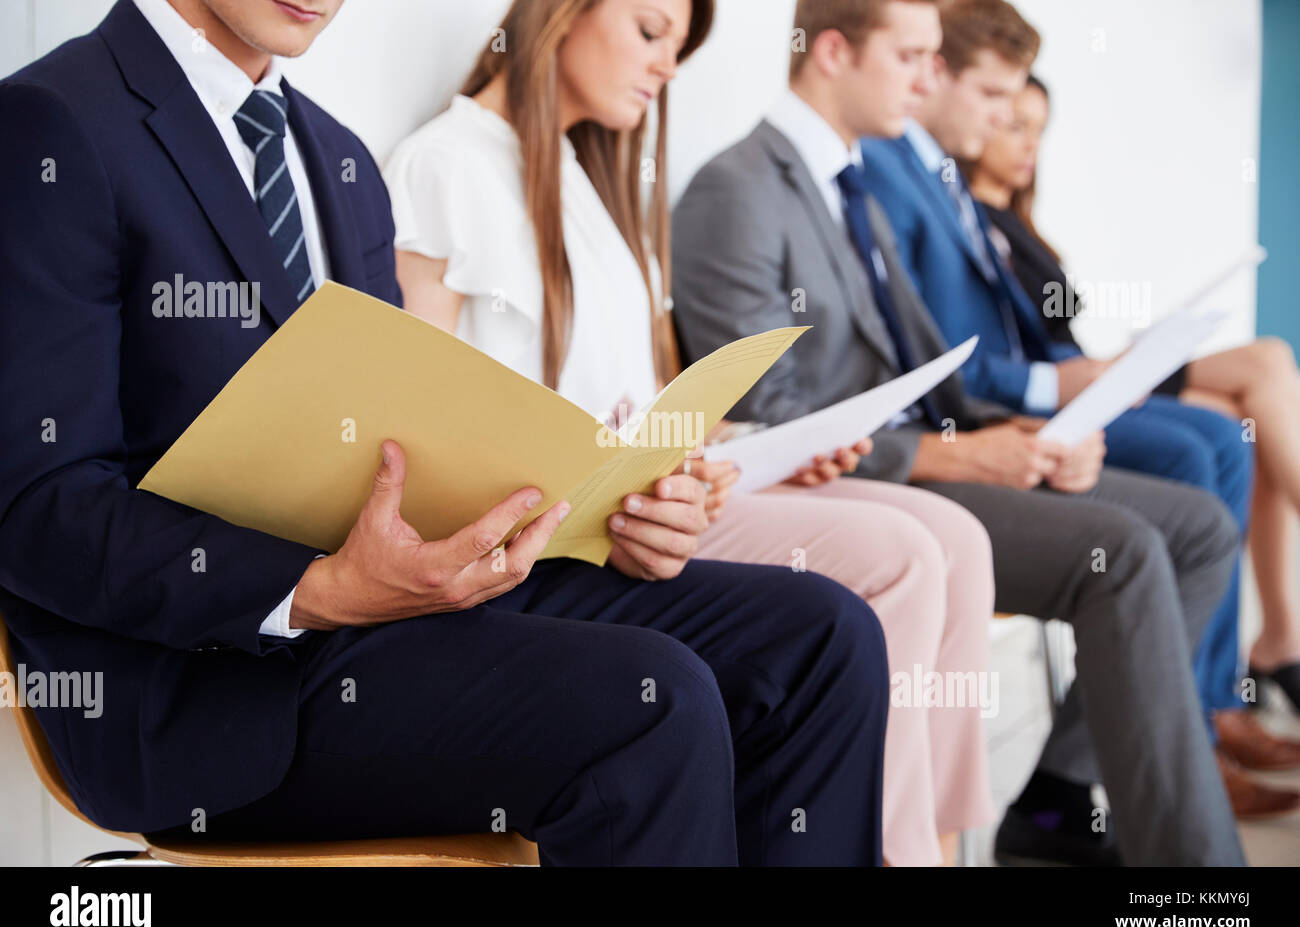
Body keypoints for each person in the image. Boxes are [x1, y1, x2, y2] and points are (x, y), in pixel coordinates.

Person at [0, 0, 894, 867]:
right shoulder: (54, 124)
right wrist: (316, 590)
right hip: (207, 684)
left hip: (399, 607)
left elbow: (399, 447)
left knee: (822, 637)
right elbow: (38, 511)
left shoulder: (336, 157)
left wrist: (614, 514)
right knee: (650, 701)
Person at [385, 0, 997, 867]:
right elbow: (413, 431)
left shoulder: (584, 183)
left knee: (945, 544)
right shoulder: (444, 166)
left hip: (635, 508)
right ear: (561, 15)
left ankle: (922, 847)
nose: (668, 65)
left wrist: (726, 451)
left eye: (678, 44)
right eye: (650, 31)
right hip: (555, 538)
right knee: (896, 558)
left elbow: (638, 404)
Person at [672, 0, 1248, 864]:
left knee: (1197, 526)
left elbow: (928, 364)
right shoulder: (738, 186)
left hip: (918, 459)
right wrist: (958, 451)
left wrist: (1021, 429)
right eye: (910, 57)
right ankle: (1194, 881)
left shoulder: (849, 184)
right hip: (857, 481)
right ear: (834, 52)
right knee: (1123, 552)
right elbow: (767, 420)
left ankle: (1056, 793)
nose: (926, 79)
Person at [855, 0, 1268, 816]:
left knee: (1218, 440)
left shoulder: (946, 186)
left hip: (1001, 410)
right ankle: (1153, 742)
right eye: (996, 99)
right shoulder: (885, 179)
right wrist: (1050, 389)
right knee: (1194, 456)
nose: (1009, 120)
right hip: (962, 429)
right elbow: (944, 360)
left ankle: (1163, 731)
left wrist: (1074, 376)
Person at [970, 75, 1300, 754]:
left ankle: (1253, 665)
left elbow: (1056, 344)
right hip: (1064, 394)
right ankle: (1219, 697)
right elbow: (1006, 362)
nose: (1028, 142)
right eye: (1012, 123)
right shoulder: (963, 222)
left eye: (1037, 128)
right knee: (1249, 387)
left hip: (1087, 375)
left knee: (1247, 413)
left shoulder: (1021, 230)